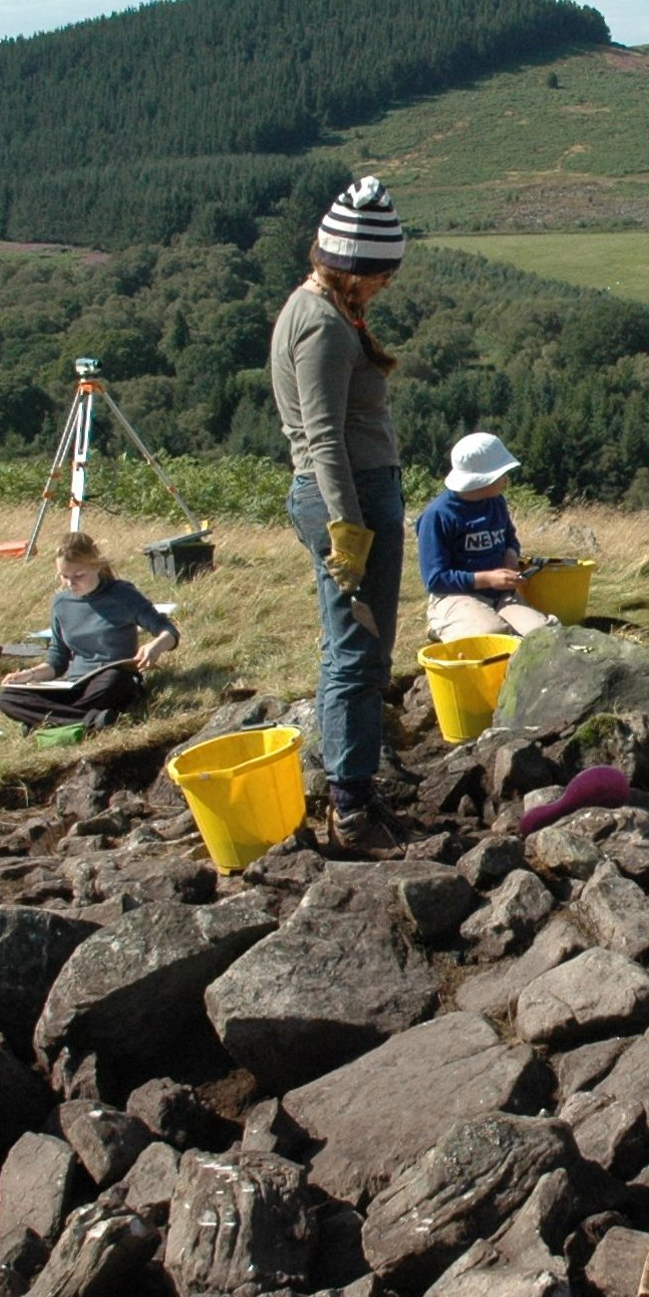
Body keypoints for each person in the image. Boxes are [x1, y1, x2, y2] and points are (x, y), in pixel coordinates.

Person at [271, 175, 409, 854]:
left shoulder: (323, 308)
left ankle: (353, 786)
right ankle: (350, 806)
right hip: (347, 496)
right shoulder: (322, 323)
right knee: (358, 651)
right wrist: (345, 528)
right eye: (380, 274)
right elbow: (323, 435)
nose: (385, 285)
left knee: (357, 647)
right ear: (354, 267)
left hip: (352, 493)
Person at [0, 531, 179, 728]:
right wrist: (29, 676)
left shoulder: (123, 594)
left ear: (97, 566)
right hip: (72, 685)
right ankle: (87, 721)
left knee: (115, 680)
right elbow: (58, 660)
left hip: (110, 680)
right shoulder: (61, 603)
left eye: (78, 575)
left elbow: (168, 630)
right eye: (64, 576)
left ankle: (48, 719)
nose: (70, 583)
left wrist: (155, 646)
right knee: (8, 697)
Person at [416, 432, 556, 641]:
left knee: (543, 636)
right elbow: (435, 579)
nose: (506, 480)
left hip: (500, 595)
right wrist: (488, 579)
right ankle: (441, 623)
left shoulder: (497, 503)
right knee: (492, 635)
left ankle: (474, 621)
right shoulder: (438, 515)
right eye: (501, 475)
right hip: (456, 596)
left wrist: (510, 554)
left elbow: (510, 538)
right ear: (482, 479)